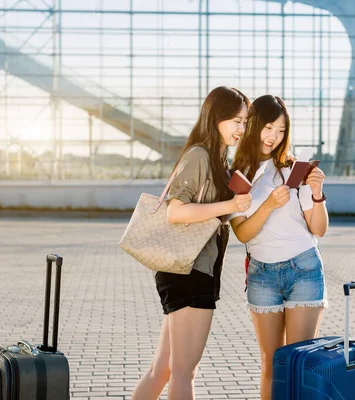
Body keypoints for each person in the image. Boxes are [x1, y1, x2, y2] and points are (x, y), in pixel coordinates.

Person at [132, 86, 252, 400]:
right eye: (236, 121)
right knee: (185, 372)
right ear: (216, 118)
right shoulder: (199, 155)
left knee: (165, 369)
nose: (241, 128)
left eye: (244, 122)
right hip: (189, 271)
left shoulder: (219, 161)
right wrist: (229, 206)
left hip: (192, 271)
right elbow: (176, 212)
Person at [229, 95, 329, 400]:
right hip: (263, 275)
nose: (274, 136)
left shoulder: (292, 169)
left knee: (299, 365)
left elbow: (319, 229)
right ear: (253, 125)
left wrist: (317, 192)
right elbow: (242, 233)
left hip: (304, 269)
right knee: (271, 364)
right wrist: (270, 205)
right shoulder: (237, 175)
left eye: (282, 130)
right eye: (269, 127)